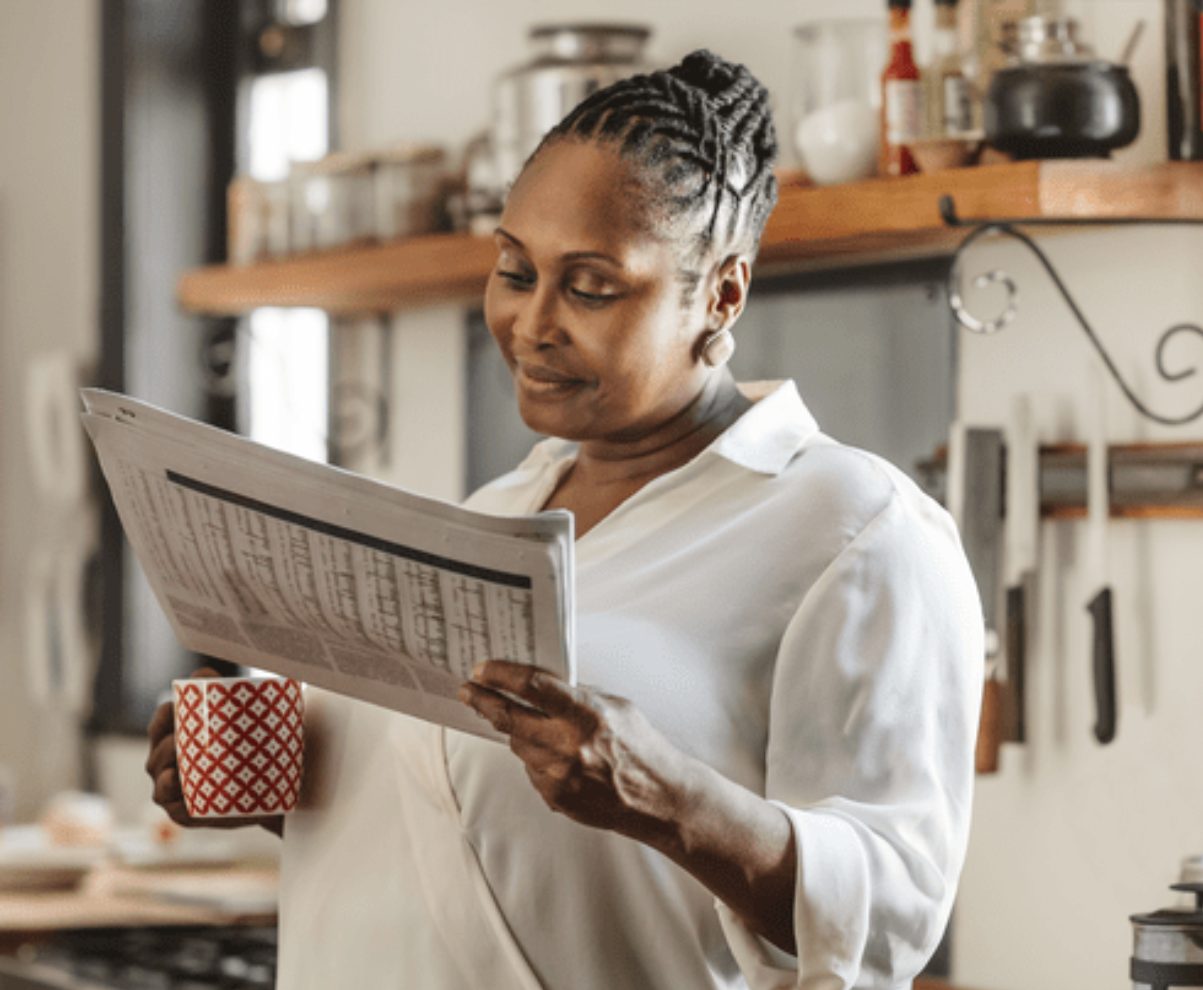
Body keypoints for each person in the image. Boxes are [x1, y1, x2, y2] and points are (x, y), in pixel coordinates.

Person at [143, 50, 983, 990]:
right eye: (514, 269)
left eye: (590, 287)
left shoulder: (857, 528)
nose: (532, 322)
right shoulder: (490, 516)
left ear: (721, 294)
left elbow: (895, 914)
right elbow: (470, 829)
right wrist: (284, 780)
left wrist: (668, 802)